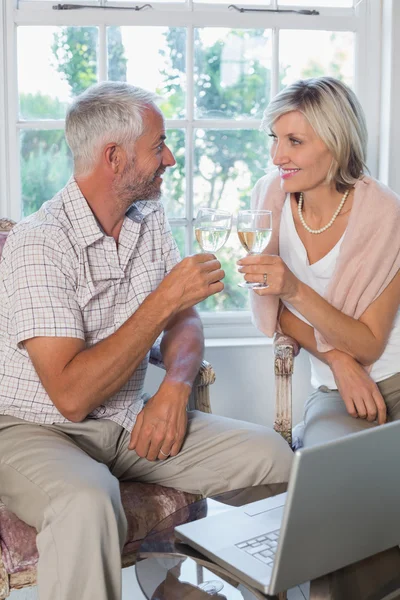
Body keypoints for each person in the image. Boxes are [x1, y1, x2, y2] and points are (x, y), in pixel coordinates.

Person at [0, 82, 293, 600]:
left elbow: (186, 320)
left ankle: (181, 587)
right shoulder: (38, 243)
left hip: (124, 420)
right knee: (87, 500)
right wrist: (162, 300)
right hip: (33, 429)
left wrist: (176, 388)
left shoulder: (148, 218)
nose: (171, 158)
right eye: (158, 146)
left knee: (271, 456)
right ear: (114, 157)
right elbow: (69, 397)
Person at [239, 76, 400, 448]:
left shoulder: (385, 214)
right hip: (334, 389)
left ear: (336, 144)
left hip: (395, 377)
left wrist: (293, 288)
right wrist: (338, 363)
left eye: (294, 141)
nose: (277, 156)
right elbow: (271, 309)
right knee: (337, 472)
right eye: (274, 139)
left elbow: (370, 345)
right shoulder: (269, 197)